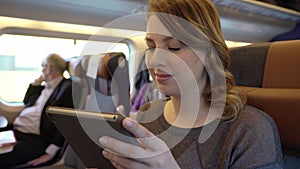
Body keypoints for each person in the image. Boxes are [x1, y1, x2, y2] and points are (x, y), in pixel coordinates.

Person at [98, 0, 284, 168]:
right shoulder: (148, 113)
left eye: (174, 47)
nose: (155, 61)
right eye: (151, 46)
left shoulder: (249, 129)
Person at [0, 53, 74, 168]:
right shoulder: (44, 86)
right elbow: (27, 101)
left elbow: (66, 123)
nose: (42, 69)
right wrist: (36, 83)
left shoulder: (67, 88)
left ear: (49, 68)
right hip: (17, 133)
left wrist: (50, 153)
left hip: (34, 140)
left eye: (43, 66)